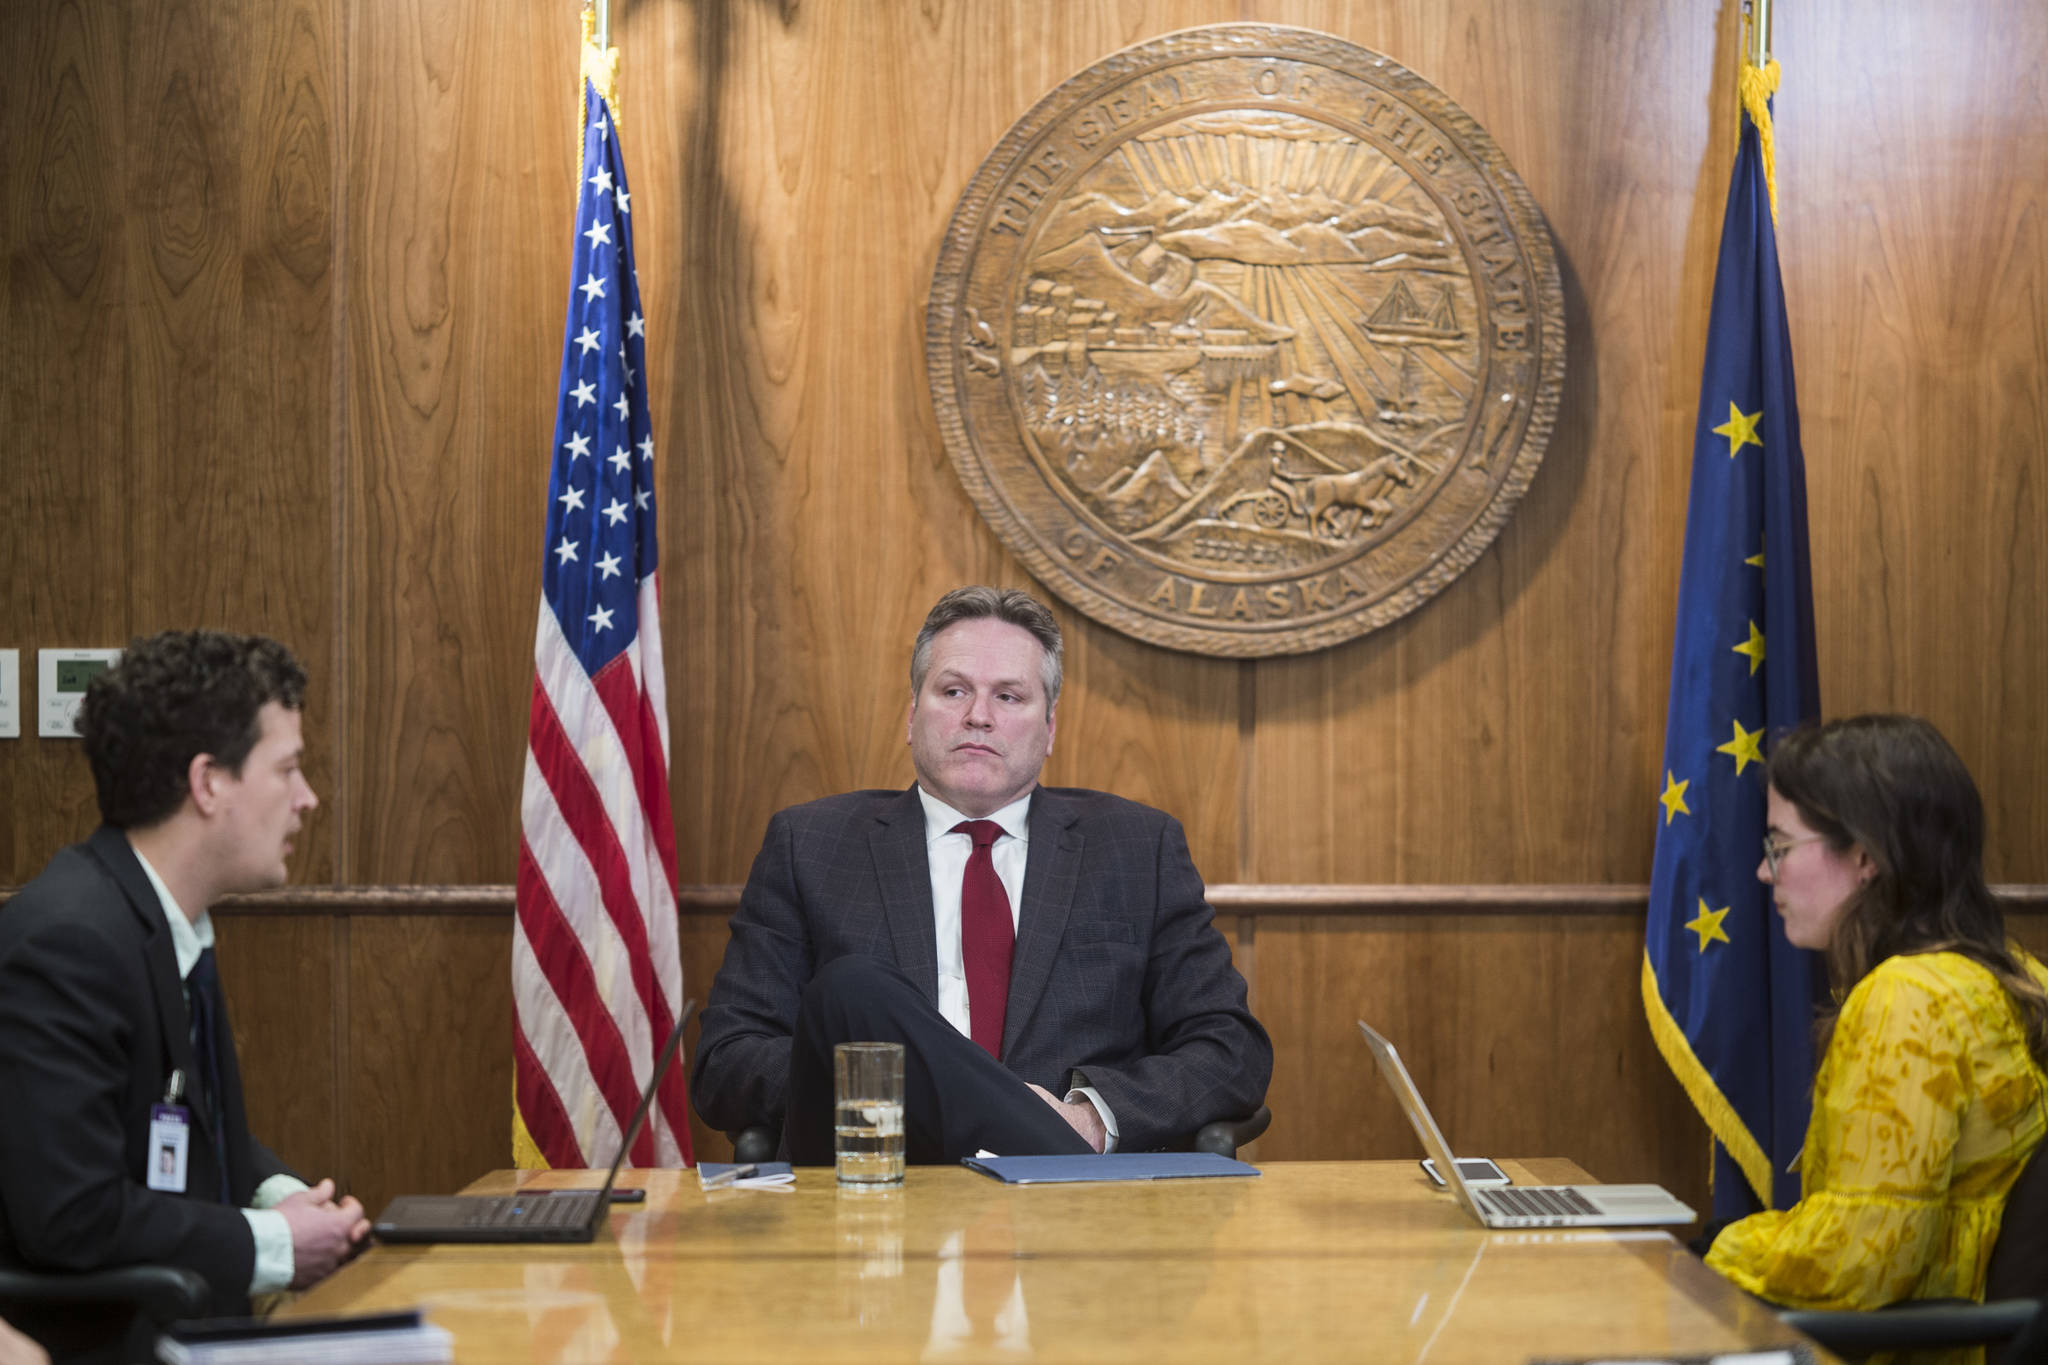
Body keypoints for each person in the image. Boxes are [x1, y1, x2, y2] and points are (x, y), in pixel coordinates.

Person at [690, 586, 1271, 1162]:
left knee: (853, 993)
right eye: (953, 690)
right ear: (913, 717)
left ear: (1049, 731)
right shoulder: (811, 844)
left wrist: (1092, 1118)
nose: (978, 716)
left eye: (1010, 697)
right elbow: (727, 1062)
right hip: (878, 1189)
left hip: (1070, 1224)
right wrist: (897, 1095)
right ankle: (1034, 1142)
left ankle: (1046, 1144)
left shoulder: (1136, 848)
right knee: (853, 991)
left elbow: (1229, 1049)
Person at [0, 631, 369, 1360]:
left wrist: (283, 1198)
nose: (308, 798)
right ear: (208, 783)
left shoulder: (164, 919)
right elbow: (72, 1214)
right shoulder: (66, 941)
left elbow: (188, 1131)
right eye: (288, 769)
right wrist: (276, 1244)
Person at [1706, 714, 2048, 1309]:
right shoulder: (2017, 973)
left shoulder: (1907, 1002)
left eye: (1779, 846)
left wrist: (1710, 1253)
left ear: (1865, 855)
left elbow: (1859, 1262)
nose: (1765, 871)